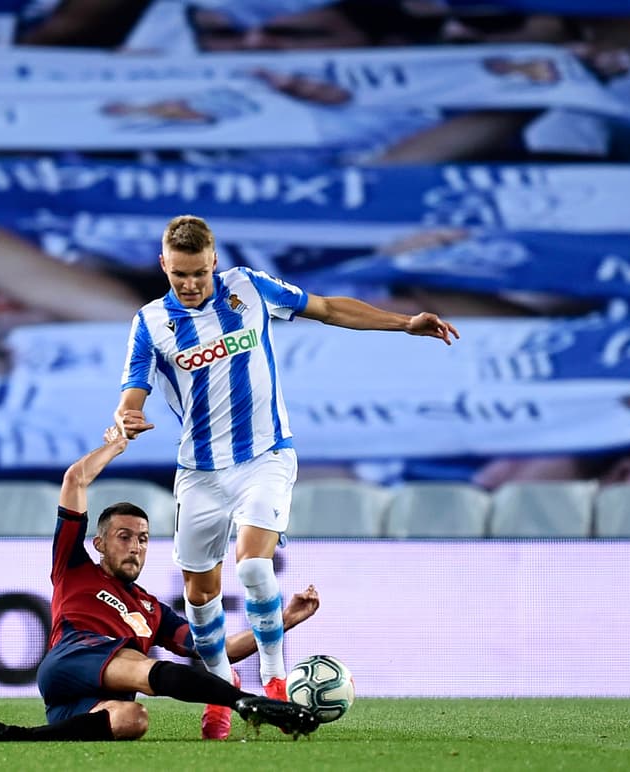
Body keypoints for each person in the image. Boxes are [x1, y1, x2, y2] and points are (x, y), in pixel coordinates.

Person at [114, 215, 457, 737]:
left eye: (199, 274)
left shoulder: (249, 287)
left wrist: (403, 322)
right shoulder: (150, 322)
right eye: (178, 274)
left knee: (253, 566)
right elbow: (131, 393)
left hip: (266, 456)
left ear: (214, 262)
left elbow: (326, 307)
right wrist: (128, 416)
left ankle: (274, 681)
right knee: (200, 595)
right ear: (164, 264)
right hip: (200, 472)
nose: (189, 285)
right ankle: (221, 698)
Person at [0, 425, 322, 742]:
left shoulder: (151, 609)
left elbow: (217, 649)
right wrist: (115, 446)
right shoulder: (74, 566)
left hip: (83, 701)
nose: (135, 547)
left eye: (143, 539)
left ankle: (16, 736)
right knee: (138, 664)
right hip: (72, 658)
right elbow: (74, 480)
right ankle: (246, 703)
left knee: (133, 719)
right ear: (99, 544)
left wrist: (282, 621)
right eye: (124, 537)